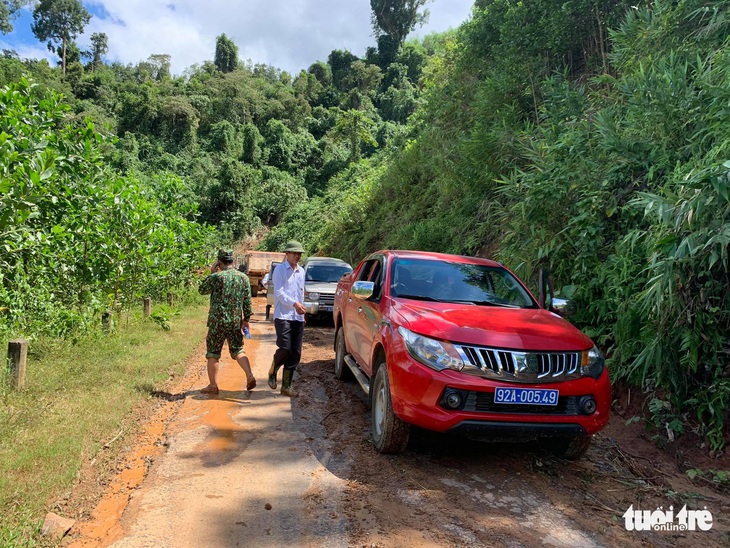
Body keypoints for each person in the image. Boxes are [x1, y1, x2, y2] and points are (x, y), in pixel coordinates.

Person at [198, 249, 256, 394]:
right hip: (235, 322)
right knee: (238, 350)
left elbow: (201, 290)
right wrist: (246, 319)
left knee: (213, 353)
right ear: (233, 261)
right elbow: (247, 302)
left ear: (220, 262)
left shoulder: (216, 277)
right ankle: (249, 375)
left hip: (217, 322)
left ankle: (213, 386)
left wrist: (211, 273)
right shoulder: (243, 278)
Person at [268, 241, 306, 397]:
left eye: (299, 254)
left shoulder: (302, 272)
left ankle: (286, 386)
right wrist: (294, 304)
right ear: (287, 254)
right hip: (283, 315)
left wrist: (303, 313)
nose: (297, 256)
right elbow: (279, 293)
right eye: (294, 253)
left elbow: (301, 293)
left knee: (295, 352)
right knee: (285, 348)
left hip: (298, 316)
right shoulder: (280, 270)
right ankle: (273, 369)